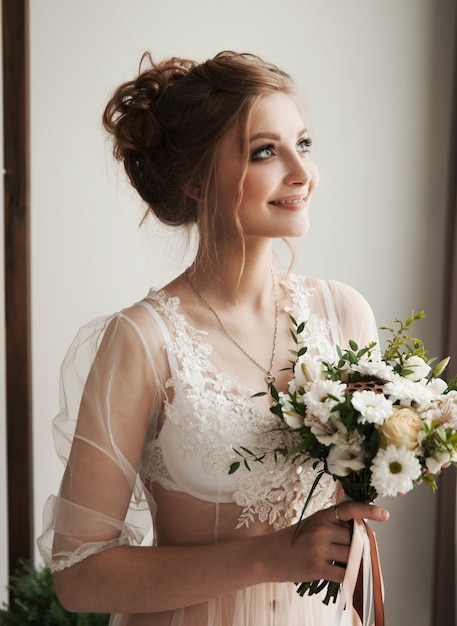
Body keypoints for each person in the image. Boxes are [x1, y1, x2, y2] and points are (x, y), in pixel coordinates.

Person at [38, 51, 389, 626]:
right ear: (192, 180)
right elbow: (79, 576)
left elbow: (355, 526)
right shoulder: (143, 340)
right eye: (265, 152)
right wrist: (269, 556)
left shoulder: (343, 314)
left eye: (303, 143)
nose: (301, 173)